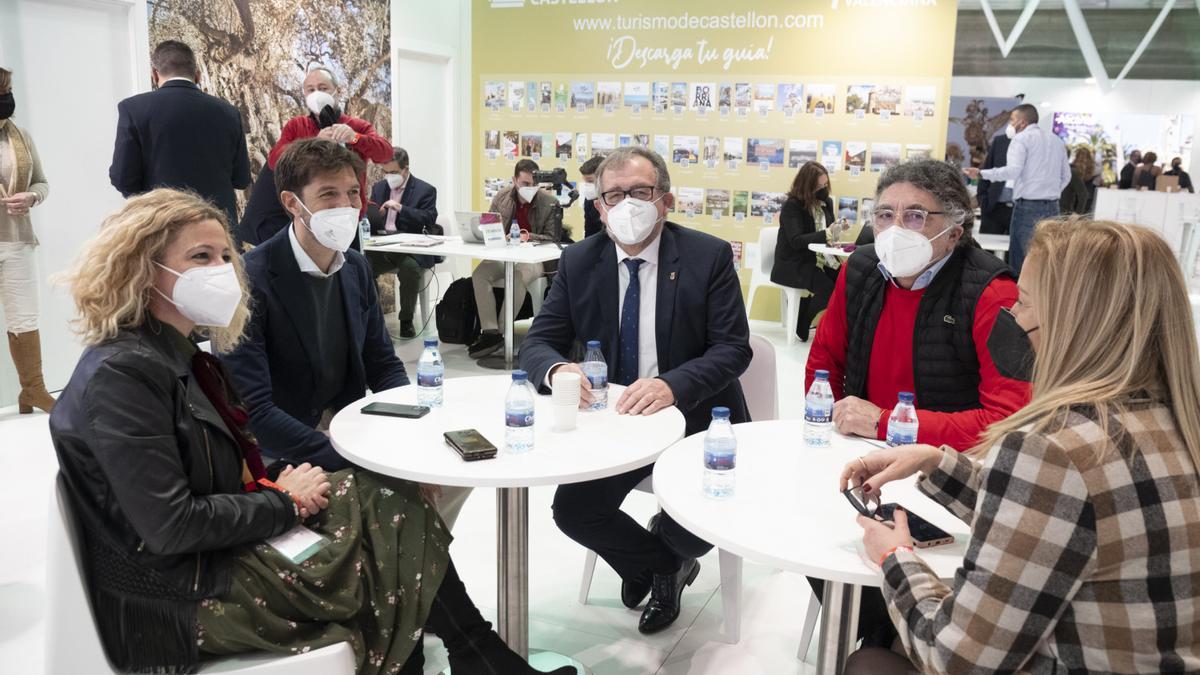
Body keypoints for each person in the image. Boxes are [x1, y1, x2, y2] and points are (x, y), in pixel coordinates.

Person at [49, 189, 570, 675]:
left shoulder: (171, 353)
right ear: (144, 269)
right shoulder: (125, 375)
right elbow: (170, 527)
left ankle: (474, 653)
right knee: (388, 528)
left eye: (225, 256)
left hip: (206, 557)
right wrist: (285, 503)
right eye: (200, 258)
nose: (223, 271)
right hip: (178, 597)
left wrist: (279, 487)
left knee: (393, 497)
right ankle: (475, 655)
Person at [842, 218, 1200, 674]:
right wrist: (936, 462)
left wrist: (895, 559)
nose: (1013, 318)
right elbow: (1064, 519)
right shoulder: (1174, 421)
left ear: (1075, 322)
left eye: (1025, 304)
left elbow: (955, 658)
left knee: (871, 661)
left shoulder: (1056, 450)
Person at [520, 147, 752, 635]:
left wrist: (673, 385)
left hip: (698, 417)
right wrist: (559, 368)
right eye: (614, 195)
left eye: (640, 192)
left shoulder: (707, 256)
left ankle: (667, 552)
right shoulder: (580, 259)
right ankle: (661, 566)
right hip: (617, 420)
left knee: (701, 519)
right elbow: (540, 341)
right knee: (574, 510)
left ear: (664, 200)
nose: (627, 204)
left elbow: (733, 349)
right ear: (599, 207)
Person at [220, 139, 469, 528]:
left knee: (451, 475)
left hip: (346, 423)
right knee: (394, 499)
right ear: (291, 203)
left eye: (353, 192)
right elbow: (256, 411)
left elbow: (383, 365)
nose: (347, 206)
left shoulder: (354, 268)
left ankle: (415, 572)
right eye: (328, 195)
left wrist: (407, 425)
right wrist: (351, 453)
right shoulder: (251, 279)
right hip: (285, 445)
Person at [108, 40, 250, 229]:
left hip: (161, 229)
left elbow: (122, 177)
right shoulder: (229, 112)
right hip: (217, 232)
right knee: (220, 261)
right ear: (197, 75)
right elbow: (241, 179)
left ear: (154, 74)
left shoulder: (133, 109)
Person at [267, 65, 392, 242]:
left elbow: (385, 154)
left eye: (323, 88)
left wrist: (355, 138)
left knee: (351, 266)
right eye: (310, 90)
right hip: (310, 217)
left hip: (349, 216)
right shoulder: (296, 126)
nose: (316, 93)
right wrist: (313, 142)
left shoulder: (356, 125)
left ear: (337, 91)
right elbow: (274, 161)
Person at [0, 67, 54, 414]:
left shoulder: (19, 136)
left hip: (16, 239)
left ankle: (32, 390)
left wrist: (31, 198)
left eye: (7, 90)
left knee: (24, 317)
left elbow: (42, 182)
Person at [468, 158, 559, 358]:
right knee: (480, 274)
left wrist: (528, 236)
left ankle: (501, 332)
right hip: (504, 253)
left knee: (516, 277)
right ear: (515, 180)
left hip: (535, 259)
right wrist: (484, 231)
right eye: (525, 184)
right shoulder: (501, 196)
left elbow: (553, 238)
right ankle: (490, 331)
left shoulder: (549, 202)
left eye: (534, 184)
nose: (531, 188)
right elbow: (489, 223)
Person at [963, 103, 1069, 274]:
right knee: (1046, 258)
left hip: (1027, 206)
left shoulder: (1021, 139)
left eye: (1012, 120)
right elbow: (1066, 177)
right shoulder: (1056, 141)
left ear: (1022, 122)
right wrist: (1050, 193)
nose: (1010, 124)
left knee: (1021, 259)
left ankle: (1020, 298)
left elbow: (1013, 171)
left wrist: (981, 173)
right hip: (1053, 206)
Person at [365, 146, 439, 338]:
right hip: (383, 245)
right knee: (363, 265)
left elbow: (428, 218)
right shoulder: (379, 188)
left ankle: (406, 320)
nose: (389, 176)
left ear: (406, 169)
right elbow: (372, 215)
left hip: (409, 248)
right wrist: (373, 216)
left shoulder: (425, 190)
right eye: (386, 172)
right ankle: (374, 318)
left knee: (410, 268)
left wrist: (400, 208)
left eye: (394, 172)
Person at [770, 161, 846, 341]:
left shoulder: (826, 202)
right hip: (794, 263)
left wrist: (836, 231)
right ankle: (803, 320)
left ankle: (805, 311)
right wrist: (826, 233)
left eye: (825, 184)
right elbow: (796, 241)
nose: (823, 189)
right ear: (807, 185)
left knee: (845, 282)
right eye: (819, 185)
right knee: (829, 289)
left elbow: (828, 232)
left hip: (821, 258)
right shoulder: (793, 206)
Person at [975, 131, 1013, 235]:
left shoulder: (1034, 144)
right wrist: (982, 198)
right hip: (994, 206)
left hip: (1020, 209)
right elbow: (988, 167)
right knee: (988, 248)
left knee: (1017, 249)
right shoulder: (1001, 141)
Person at [579, 155, 604, 238]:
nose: (587, 186)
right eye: (585, 182)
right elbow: (589, 230)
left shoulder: (616, 202)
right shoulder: (589, 200)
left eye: (590, 181)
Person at [1059, 147, 1090, 215]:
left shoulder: (1072, 172)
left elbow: (1083, 194)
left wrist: (1077, 213)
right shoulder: (1051, 171)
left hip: (1064, 215)